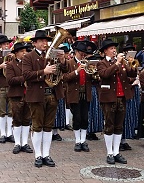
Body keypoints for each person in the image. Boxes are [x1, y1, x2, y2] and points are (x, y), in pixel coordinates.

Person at [22, 30, 67, 168]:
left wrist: (63, 60)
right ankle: (38, 155)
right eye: (41, 41)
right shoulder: (28, 57)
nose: (45, 43)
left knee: (48, 127)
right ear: (34, 43)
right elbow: (26, 75)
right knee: (37, 126)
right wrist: (44, 72)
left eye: (46, 41)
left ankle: (46, 154)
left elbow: (63, 70)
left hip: (53, 94)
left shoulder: (52, 54)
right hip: (36, 95)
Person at [97, 39, 137, 165]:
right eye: (111, 48)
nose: (114, 50)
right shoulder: (101, 63)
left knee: (119, 125)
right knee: (109, 125)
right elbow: (105, 75)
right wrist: (117, 64)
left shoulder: (122, 63)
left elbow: (132, 73)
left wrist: (130, 64)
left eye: (115, 48)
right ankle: (109, 153)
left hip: (122, 97)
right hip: (109, 98)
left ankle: (116, 152)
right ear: (105, 51)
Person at [63, 40, 97, 152]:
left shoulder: (88, 63)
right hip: (74, 94)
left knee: (85, 118)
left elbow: (93, 78)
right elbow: (65, 78)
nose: (83, 55)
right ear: (76, 51)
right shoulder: (69, 63)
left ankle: (83, 141)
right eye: (81, 52)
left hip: (85, 94)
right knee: (77, 118)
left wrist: (94, 74)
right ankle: (77, 141)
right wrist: (77, 71)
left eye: (84, 53)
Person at [6, 42, 33, 154]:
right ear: (16, 53)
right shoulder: (11, 65)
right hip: (16, 95)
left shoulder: (28, 64)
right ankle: (17, 143)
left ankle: (24, 143)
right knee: (17, 119)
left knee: (27, 119)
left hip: (28, 94)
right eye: (22, 51)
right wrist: (24, 78)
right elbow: (10, 80)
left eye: (25, 51)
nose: (24, 53)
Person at [0, 34, 14, 144]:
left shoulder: (11, 55)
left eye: (7, 44)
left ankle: (10, 133)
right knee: (1, 112)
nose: (6, 46)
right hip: (1, 86)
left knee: (10, 111)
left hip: (11, 86)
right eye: (5, 44)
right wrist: (1, 66)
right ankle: (2, 133)